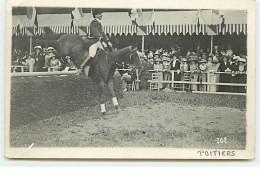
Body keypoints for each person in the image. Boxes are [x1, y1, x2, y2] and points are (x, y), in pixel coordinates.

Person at [79, 9, 113, 75]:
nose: (101, 15)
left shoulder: (99, 23)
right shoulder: (93, 23)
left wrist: (108, 41)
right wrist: (102, 41)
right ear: (95, 15)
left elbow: (103, 34)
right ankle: (82, 66)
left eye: (101, 13)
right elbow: (96, 33)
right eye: (99, 14)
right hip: (93, 41)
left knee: (104, 54)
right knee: (92, 54)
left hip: (98, 42)